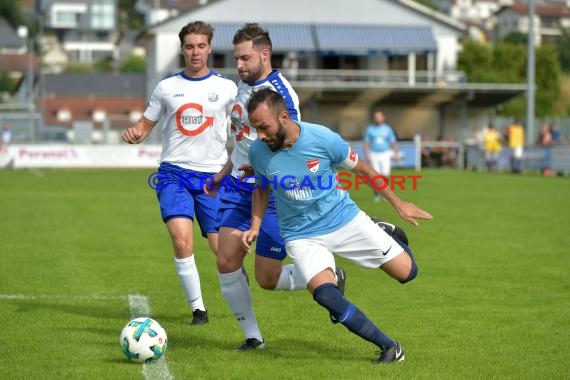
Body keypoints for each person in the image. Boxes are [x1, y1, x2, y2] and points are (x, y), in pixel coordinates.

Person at [242, 88, 433, 364]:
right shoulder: (259, 151)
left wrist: (398, 203)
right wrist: (256, 224)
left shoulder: (322, 139)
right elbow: (261, 188)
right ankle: (389, 347)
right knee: (325, 294)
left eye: (264, 127)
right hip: (301, 235)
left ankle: (384, 230)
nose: (260, 135)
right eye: (256, 129)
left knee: (407, 273)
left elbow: (363, 170)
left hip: (344, 220)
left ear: (283, 117)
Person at [204, 23, 318, 351]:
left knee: (267, 279)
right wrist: (224, 172)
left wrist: (268, 170)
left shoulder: (282, 93)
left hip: (271, 195)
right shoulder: (243, 87)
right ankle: (253, 337)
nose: (238, 65)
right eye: (236, 58)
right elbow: (243, 142)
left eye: (244, 58)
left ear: (264, 54)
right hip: (238, 188)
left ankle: (327, 273)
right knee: (226, 262)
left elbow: (293, 144)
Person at [122, 21, 237, 325]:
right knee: (181, 239)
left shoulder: (227, 89)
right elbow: (145, 126)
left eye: (201, 46)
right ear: (182, 49)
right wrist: (135, 132)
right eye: (189, 46)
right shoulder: (167, 88)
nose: (195, 52)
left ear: (210, 48)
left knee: (224, 252)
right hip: (173, 175)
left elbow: (241, 129)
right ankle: (198, 309)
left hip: (214, 178)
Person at [363, 111, 399, 202]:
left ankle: (386, 195)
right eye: (376, 117)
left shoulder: (387, 129)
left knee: (385, 174)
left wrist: (395, 153)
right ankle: (376, 194)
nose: (377, 118)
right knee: (376, 175)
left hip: (385, 153)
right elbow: (366, 143)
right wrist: (367, 154)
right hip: (374, 154)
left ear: (383, 118)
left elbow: (393, 141)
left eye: (379, 117)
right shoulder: (370, 129)